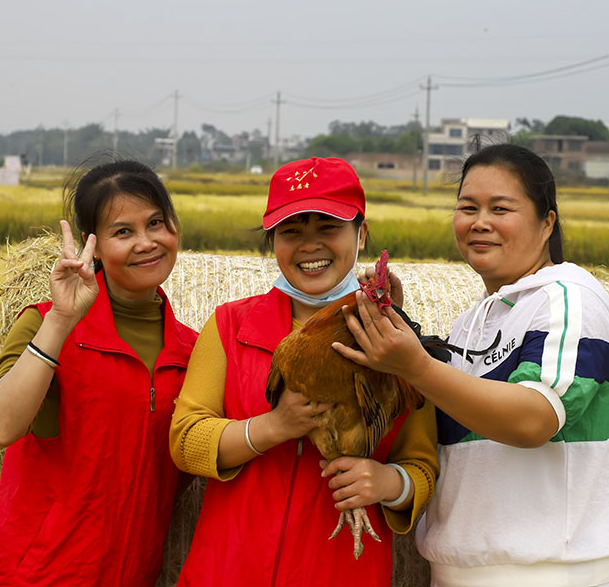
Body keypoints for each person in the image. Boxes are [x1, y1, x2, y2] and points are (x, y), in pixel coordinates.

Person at [334, 143, 609, 587]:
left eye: (500, 208)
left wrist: (415, 367)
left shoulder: (568, 297)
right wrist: (397, 326)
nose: (480, 222)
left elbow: (533, 419)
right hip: (460, 571)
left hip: (544, 574)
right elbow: (454, 400)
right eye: (468, 207)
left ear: (547, 222)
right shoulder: (475, 320)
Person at [169, 157, 438, 587]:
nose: (310, 245)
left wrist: (390, 482)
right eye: (291, 232)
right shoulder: (230, 326)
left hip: (342, 571)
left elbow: (422, 464)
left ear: (362, 234)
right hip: (229, 568)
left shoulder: (397, 342)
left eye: (329, 228)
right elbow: (185, 441)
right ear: (273, 241)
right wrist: (273, 426)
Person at [0, 160, 198, 586]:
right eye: (123, 231)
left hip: (130, 574)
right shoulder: (44, 323)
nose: (146, 242)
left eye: (156, 223)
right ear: (93, 245)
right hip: (34, 573)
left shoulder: (192, 350)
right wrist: (61, 319)